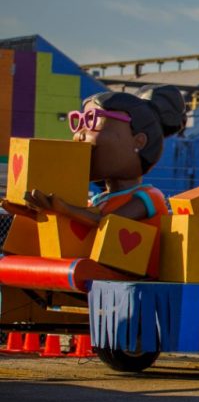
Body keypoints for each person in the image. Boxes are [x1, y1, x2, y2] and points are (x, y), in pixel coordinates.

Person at [3, 85, 187, 278]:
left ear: (138, 142)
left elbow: (105, 222)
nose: (81, 134)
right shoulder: (99, 200)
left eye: (92, 123)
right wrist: (36, 211)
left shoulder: (148, 197)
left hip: (133, 276)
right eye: (80, 123)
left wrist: (63, 208)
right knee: (29, 225)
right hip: (99, 267)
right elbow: (78, 226)